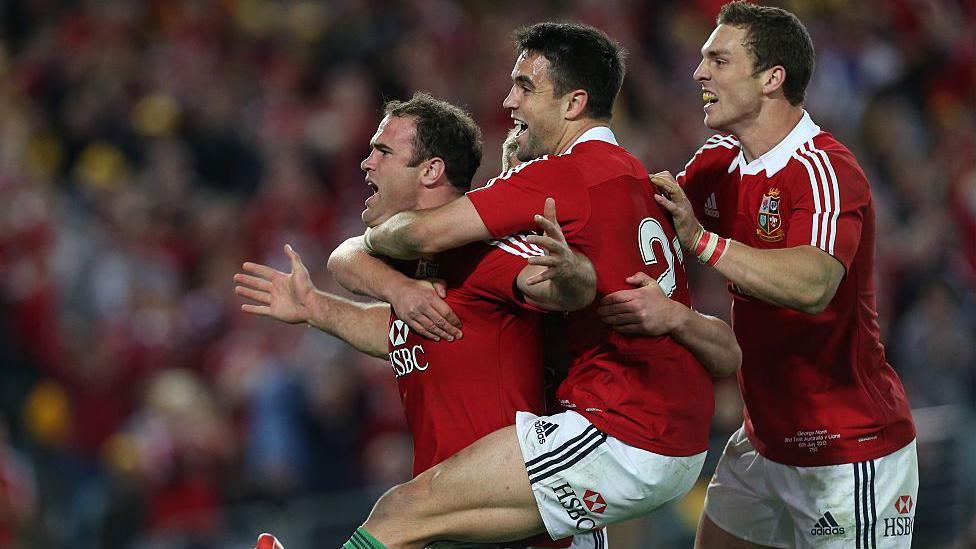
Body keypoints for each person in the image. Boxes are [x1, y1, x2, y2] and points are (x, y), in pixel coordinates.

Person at [332, 23, 741, 549]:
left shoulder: (564, 176)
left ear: (573, 104)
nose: (509, 101)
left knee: (406, 510)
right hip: (670, 431)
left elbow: (421, 233)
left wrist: (375, 240)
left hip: (624, 428)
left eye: (525, 86)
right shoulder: (636, 177)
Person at [234, 92, 602, 548]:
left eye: (383, 151)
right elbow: (391, 319)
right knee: (401, 511)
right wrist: (319, 308)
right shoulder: (413, 262)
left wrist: (570, 275)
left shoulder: (485, 248)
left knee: (395, 510)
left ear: (431, 170)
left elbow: (559, 288)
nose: (366, 164)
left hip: (524, 515)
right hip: (457, 514)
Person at [640, 2, 917, 547]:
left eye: (718, 60)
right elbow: (647, 226)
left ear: (772, 78)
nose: (699, 73)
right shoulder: (715, 163)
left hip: (848, 450)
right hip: (764, 443)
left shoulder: (825, 168)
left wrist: (702, 241)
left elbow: (813, 284)